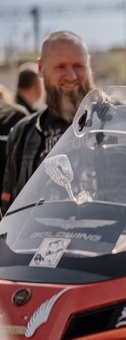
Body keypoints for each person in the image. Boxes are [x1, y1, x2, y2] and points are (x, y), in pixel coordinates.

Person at [2, 31, 94, 212]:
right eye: (61, 67)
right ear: (40, 68)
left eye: (78, 66)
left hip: (111, 230)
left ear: (89, 65)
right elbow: (8, 205)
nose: (71, 76)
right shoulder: (22, 133)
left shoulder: (117, 123)